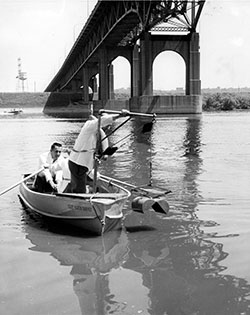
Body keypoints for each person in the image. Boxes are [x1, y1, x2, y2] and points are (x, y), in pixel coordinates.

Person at [67, 109, 129, 193]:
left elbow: (104, 156)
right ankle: (80, 197)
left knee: (95, 181)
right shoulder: (89, 126)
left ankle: (87, 190)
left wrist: (103, 155)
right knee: (79, 191)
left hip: (86, 166)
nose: (108, 127)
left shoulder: (99, 135)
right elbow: (102, 121)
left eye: (109, 126)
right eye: (107, 125)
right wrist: (120, 115)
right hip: (77, 163)